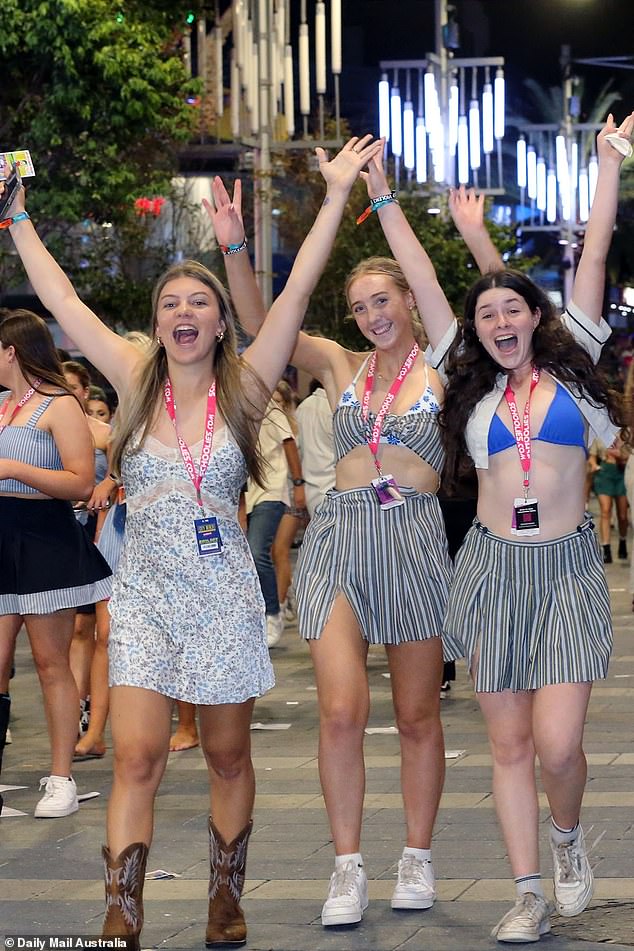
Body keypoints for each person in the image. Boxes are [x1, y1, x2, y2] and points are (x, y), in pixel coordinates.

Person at [1, 134, 382, 948]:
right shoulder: (133, 378)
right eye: (171, 303)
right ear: (157, 321)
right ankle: (122, 911)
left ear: (216, 324)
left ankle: (224, 895)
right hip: (143, 594)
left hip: (221, 595)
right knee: (137, 754)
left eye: (198, 303)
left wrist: (336, 197)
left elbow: (294, 292)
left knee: (226, 756)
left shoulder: (244, 391)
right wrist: (18, 220)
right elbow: (64, 303)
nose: (183, 312)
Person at [375, 112, 631, 944]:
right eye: (485, 315)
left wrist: (606, 163)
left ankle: (566, 839)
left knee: (559, 746)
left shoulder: (577, 374)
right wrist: (386, 200)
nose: (497, 322)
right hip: (488, 570)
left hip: (565, 571)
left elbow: (591, 254)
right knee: (510, 743)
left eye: (511, 310)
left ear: (535, 317)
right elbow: (421, 277)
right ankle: (527, 888)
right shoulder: (471, 383)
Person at [215, 176, 455, 929]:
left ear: (409, 303)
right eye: (359, 306)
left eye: (383, 300)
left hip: (415, 539)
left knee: (417, 714)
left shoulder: (444, 365)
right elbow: (264, 323)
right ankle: (346, 865)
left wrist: (381, 200)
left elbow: (424, 276)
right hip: (340, 541)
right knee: (343, 708)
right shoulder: (341, 366)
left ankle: (416, 855)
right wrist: (234, 246)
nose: (372, 314)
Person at [0, 309, 112, 818]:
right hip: (2, 536)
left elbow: (81, 482)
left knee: (51, 662)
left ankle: (61, 776)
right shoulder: (3, 406)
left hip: (45, 536)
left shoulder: (59, 405)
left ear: (12, 350)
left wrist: (11, 468)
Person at [294, 379, 336, 518]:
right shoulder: (335, 407)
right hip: (337, 488)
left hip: (311, 490)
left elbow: (296, 448)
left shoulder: (302, 407)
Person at [588, 437, 629, 563]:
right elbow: (592, 456)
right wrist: (594, 465)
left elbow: (629, 455)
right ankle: (606, 548)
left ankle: (622, 540)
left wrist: (620, 455)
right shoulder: (599, 434)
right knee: (605, 511)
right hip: (604, 473)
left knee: (622, 515)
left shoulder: (625, 433)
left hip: (621, 472)